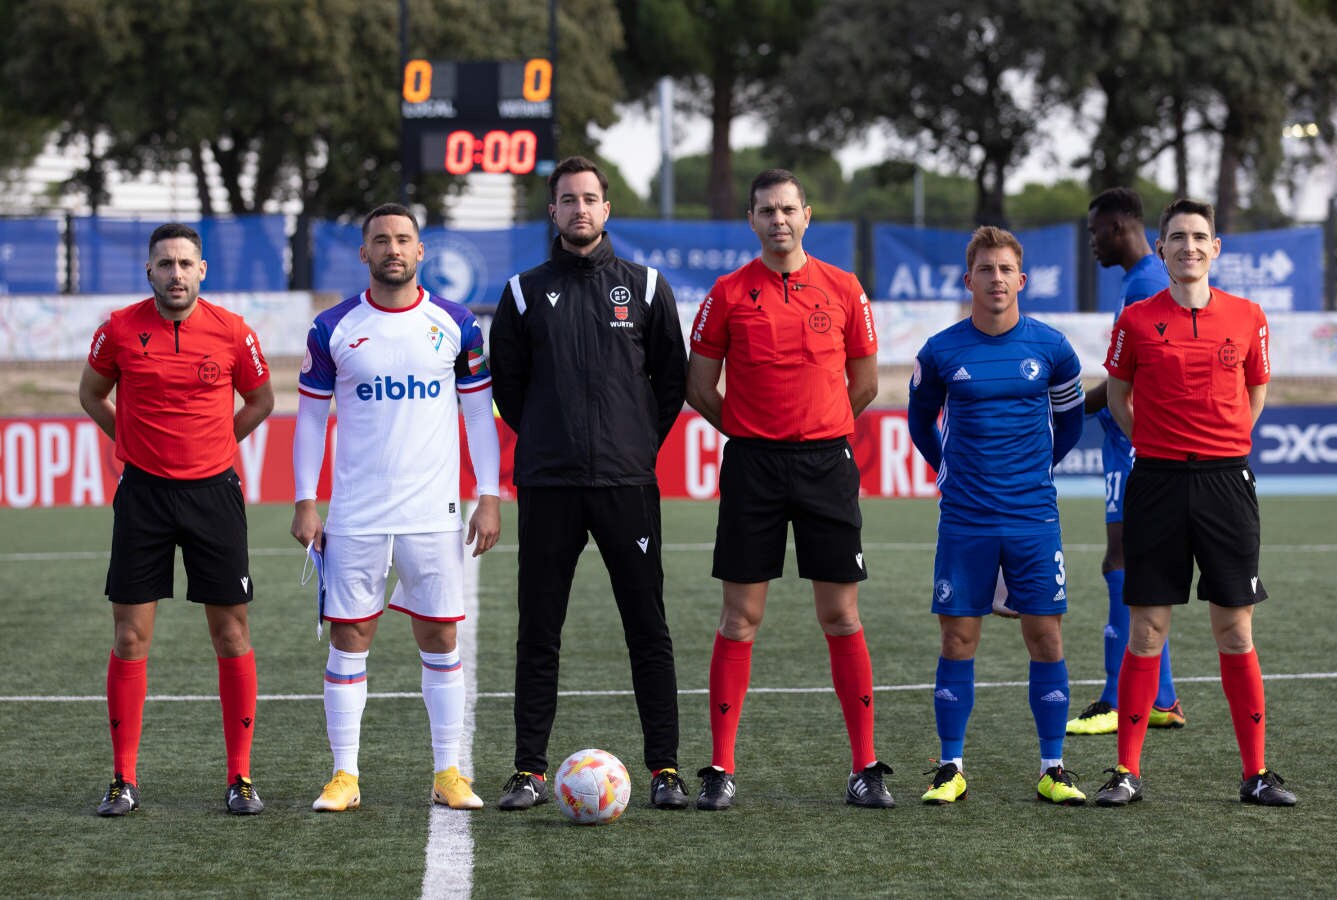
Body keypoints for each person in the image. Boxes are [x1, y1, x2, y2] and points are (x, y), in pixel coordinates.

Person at [686, 168, 892, 811]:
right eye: (766, 211)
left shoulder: (844, 288)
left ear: (807, 216)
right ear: (752, 221)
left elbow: (865, 383)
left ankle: (865, 767)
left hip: (827, 467)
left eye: (788, 209)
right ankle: (721, 766)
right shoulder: (727, 293)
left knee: (841, 615)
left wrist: (819, 430)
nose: (778, 220)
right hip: (753, 468)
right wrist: (750, 433)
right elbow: (699, 387)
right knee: (740, 619)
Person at [489, 156, 690, 811]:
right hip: (548, 485)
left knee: (648, 628)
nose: (580, 209)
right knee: (539, 629)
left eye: (591, 198)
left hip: (626, 484)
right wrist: (554, 437)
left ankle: (664, 768)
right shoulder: (522, 292)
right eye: (568, 199)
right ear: (553, 211)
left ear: (606, 209)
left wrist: (630, 442)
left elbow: (670, 383)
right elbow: (509, 389)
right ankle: (528, 771)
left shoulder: (647, 285)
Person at [291, 203, 501, 813]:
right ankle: (344, 775)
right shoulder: (332, 327)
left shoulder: (456, 323)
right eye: (380, 240)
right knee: (350, 636)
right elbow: (309, 419)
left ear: (420, 251)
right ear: (364, 253)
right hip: (356, 513)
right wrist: (307, 499)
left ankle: (448, 772)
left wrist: (487, 494)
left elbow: (476, 414)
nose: (392, 249)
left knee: (439, 637)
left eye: (403, 239)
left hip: (434, 511)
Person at [1095, 199, 1296, 807]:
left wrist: (1219, 447)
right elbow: (1120, 398)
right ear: (1161, 249)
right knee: (1147, 629)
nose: (1188, 246)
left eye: (1199, 237)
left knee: (1234, 629)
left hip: (1226, 485)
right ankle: (1126, 773)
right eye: (1177, 237)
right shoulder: (1134, 319)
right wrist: (1159, 447)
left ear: (1215, 249)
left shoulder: (1248, 316)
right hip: (1155, 483)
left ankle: (1256, 774)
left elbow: (1255, 393)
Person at [78, 223, 275, 816]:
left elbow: (261, 400)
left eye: (186, 263)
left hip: (214, 494)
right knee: (130, 636)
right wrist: (131, 444)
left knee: (231, 633)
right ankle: (122, 778)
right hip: (143, 497)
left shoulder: (233, 332)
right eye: (165, 263)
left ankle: (239, 777)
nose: (175, 273)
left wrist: (220, 442)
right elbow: (91, 394)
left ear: (202, 270)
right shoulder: (117, 328)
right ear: (150, 272)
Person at [908, 226, 1087, 806]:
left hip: (1033, 516)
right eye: (986, 270)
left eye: (1006, 270)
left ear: (1022, 280)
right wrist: (947, 471)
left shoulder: (1054, 349)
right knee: (958, 637)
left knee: (1045, 637)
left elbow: (1072, 425)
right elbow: (920, 421)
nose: (996, 279)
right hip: (966, 519)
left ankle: (1053, 767)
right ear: (970, 280)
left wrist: (1036, 472)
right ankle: (950, 766)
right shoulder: (940, 351)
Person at [1067, 187, 1185, 735]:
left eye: (1094, 231)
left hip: (1139, 444)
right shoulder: (1136, 284)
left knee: (1122, 563)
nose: (1091, 242)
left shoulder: (1148, 284)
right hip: (1125, 443)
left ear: (1118, 226)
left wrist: (1062, 410)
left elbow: (1131, 379)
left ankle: (1119, 699)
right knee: (1128, 564)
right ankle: (1159, 697)